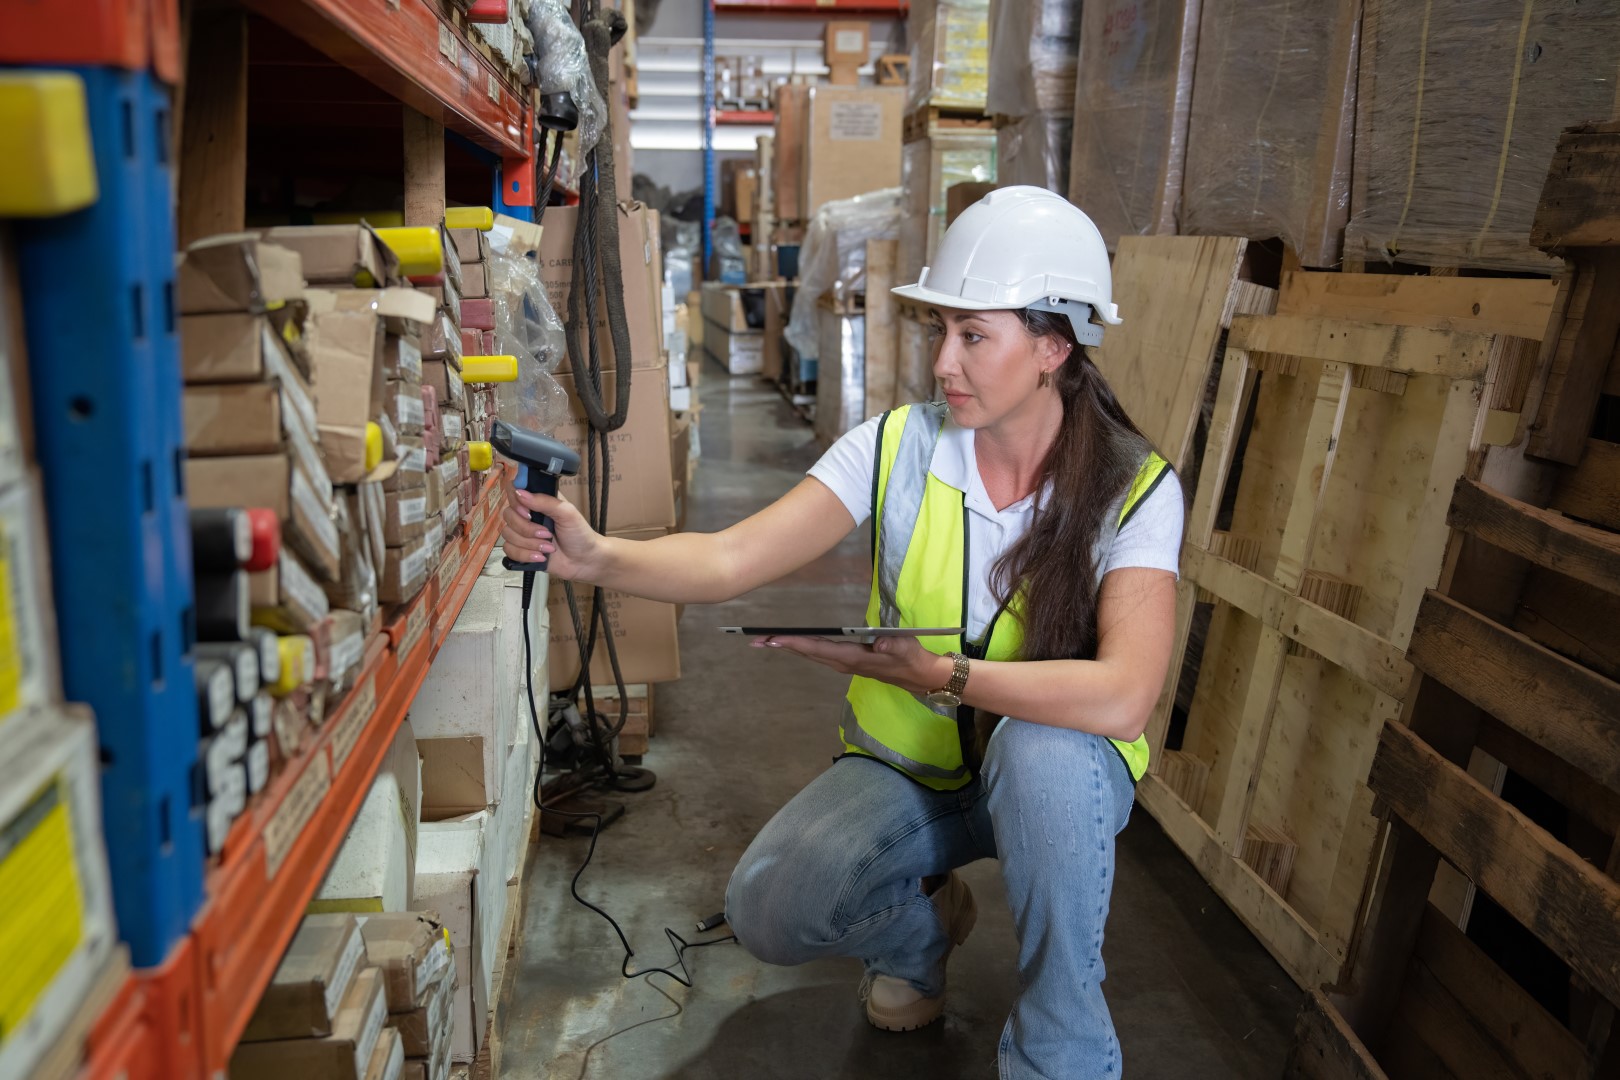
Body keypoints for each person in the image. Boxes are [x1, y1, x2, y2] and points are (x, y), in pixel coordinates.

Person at [499, 186, 1184, 1079]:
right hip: (915, 776)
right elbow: (731, 558)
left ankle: (1062, 1054)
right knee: (770, 908)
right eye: (943, 331)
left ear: (1053, 346)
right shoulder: (897, 447)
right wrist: (598, 560)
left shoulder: (1135, 487)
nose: (944, 362)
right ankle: (919, 936)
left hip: (1057, 782)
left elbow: (1126, 692)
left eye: (974, 336)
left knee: (1048, 753)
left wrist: (937, 673)